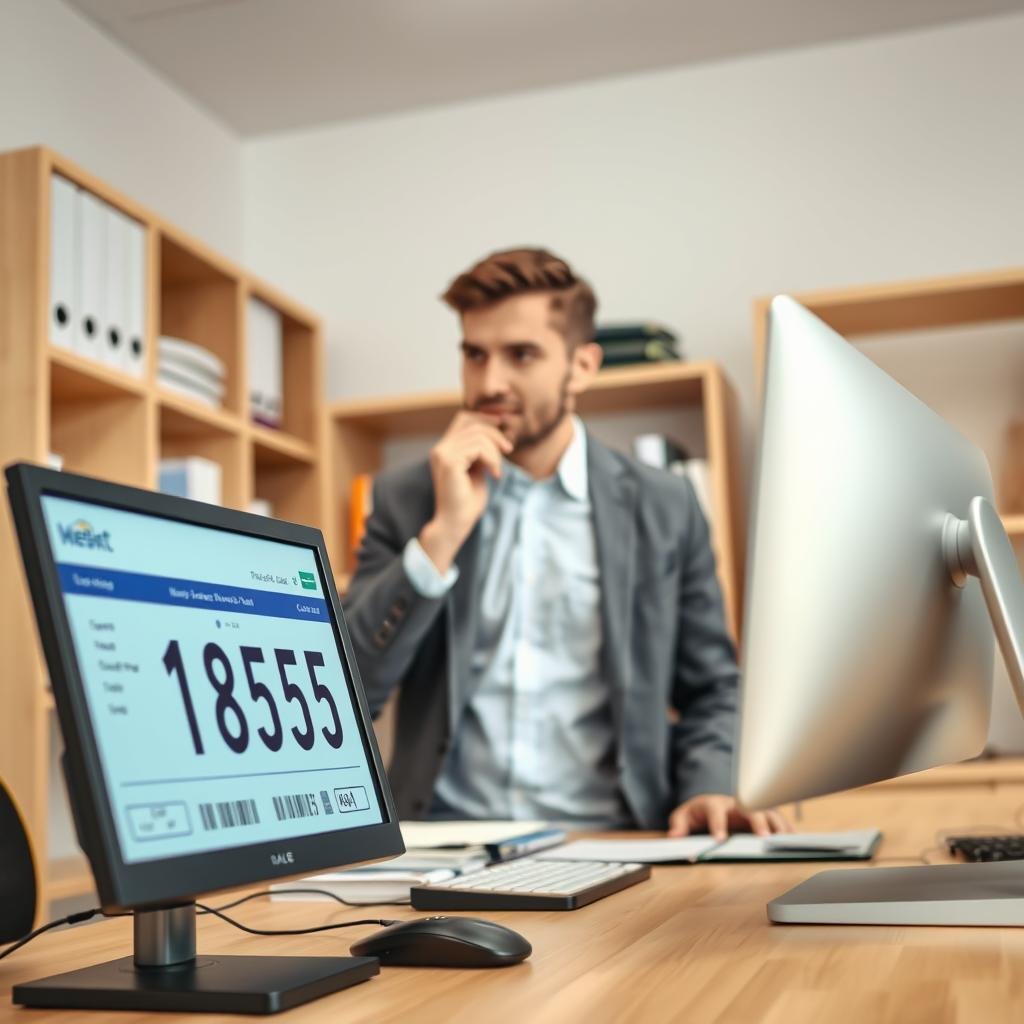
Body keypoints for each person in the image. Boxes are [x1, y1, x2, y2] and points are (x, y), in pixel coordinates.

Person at [342, 247, 787, 839]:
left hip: (615, 838)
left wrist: (711, 782)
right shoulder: (408, 500)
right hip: (441, 841)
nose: (489, 382)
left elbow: (712, 687)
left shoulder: (665, 505)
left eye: (520, 354)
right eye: (474, 355)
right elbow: (345, 695)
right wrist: (440, 538)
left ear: (582, 365)